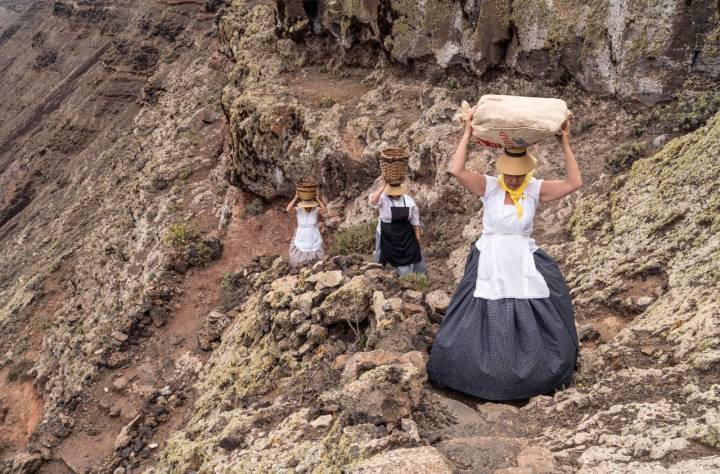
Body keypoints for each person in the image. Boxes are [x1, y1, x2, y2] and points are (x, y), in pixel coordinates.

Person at [427, 106, 582, 401]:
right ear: (500, 170)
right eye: (509, 174)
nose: (513, 180)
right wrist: (467, 133)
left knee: (551, 298)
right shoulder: (490, 187)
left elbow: (575, 183)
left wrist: (565, 144)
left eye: (518, 174)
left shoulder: (534, 190)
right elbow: (456, 170)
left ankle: (537, 374)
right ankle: (472, 376)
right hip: (491, 256)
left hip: (522, 256)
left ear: (527, 171)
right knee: (476, 309)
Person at [369, 178, 427, 276]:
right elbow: (373, 201)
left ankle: (420, 276)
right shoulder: (383, 198)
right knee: (382, 254)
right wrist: (383, 186)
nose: (395, 194)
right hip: (388, 233)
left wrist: (417, 240)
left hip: (406, 233)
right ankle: (377, 273)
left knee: (416, 256)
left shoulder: (409, 200)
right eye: (392, 191)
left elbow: (416, 222)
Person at [286, 192, 327, 268]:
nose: (307, 207)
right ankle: (300, 267)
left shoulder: (316, 209)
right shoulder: (298, 210)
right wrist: (295, 198)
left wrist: (317, 199)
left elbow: (325, 211)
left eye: (309, 206)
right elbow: (288, 209)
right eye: (306, 206)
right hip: (302, 233)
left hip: (313, 234)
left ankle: (315, 266)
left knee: (315, 248)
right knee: (299, 247)